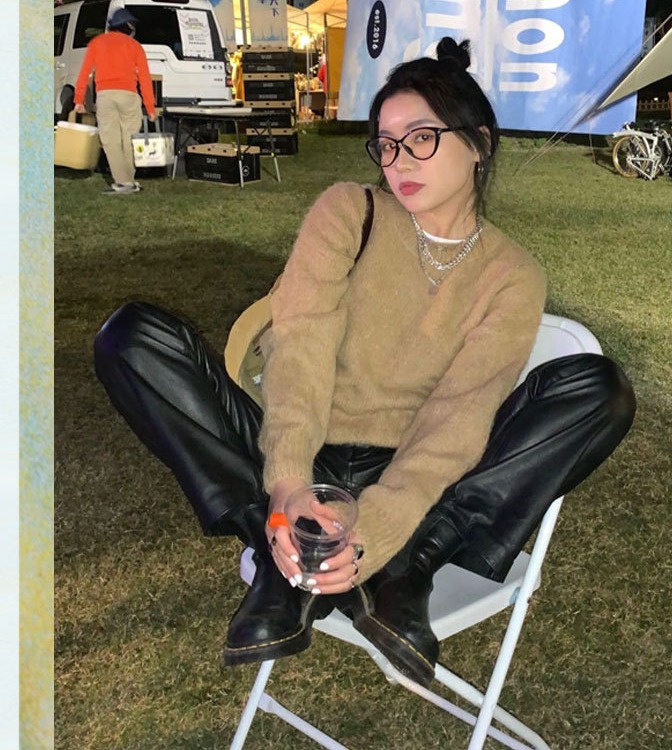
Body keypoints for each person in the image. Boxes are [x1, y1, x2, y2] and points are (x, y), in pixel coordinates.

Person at [93, 38, 636, 687]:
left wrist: (376, 532)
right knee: (133, 337)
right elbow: (302, 345)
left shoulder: (512, 275)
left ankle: (410, 566)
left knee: (598, 389)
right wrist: (289, 486)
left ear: (479, 144)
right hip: (303, 445)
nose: (399, 159)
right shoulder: (351, 211)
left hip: (418, 481)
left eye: (422, 138)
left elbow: (460, 417)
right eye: (386, 144)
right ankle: (280, 548)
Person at [74, 8, 156, 195]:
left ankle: (123, 182)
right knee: (129, 140)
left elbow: (85, 72)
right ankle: (129, 181)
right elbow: (145, 78)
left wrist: (79, 99)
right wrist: (150, 107)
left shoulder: (97, 43)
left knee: (110, 140)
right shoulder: (135, 46)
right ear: (127, 26)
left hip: (105, 95)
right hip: (129, 96)